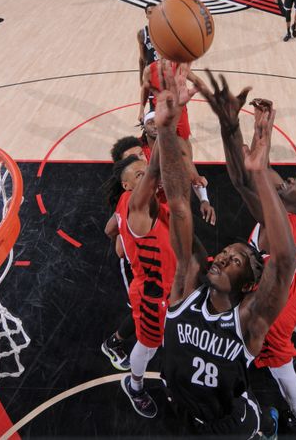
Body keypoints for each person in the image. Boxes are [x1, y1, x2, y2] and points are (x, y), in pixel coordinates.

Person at [157, 63, 288, 439]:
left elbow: (282, 264)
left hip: (227, 426)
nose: (227, 256)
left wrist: (260, 173)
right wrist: (167, 130)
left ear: (248, 286)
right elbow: (180, 204)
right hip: (179, 409)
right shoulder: (186, 285)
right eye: (228, 252)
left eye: (238, 261)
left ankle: (268, 425)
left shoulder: (248, 321)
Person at [196, 72, 296, 431]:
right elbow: (256, 170)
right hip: (288, 292)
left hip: (274, 303)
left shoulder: (277, 227)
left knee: (271, 362)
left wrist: (243, 129)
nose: (288, 180)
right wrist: (255, 129)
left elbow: (244, 179)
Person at [102, 142, 176, 419]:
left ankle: (169, 374)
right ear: (127, 187)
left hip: (169, 285)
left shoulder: (135, 201)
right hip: (151, 293)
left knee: (170, 339)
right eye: (139, 175)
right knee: (148, 344)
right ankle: (134, 386)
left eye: (146, 171)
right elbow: (158, 168)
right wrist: (163, 130)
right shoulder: (135, 206)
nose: (147, 177)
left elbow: (110, 228)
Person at [137, 3, 159, 85]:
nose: (152, 15)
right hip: (151, 76)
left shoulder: (167, 31)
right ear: (146, 15)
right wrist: (141, 80)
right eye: (150, 13)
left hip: (166, 75)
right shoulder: (142, 34)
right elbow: (142, 60)